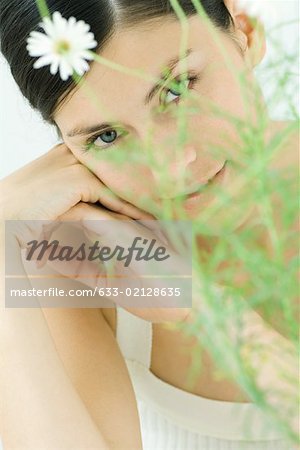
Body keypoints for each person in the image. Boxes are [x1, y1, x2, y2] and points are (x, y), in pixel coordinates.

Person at [0, 1, 298, 449]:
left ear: (245, 33)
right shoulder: (79, 258)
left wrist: (207, 308)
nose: (171, 167)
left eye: (178, 90)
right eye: (106, 137)